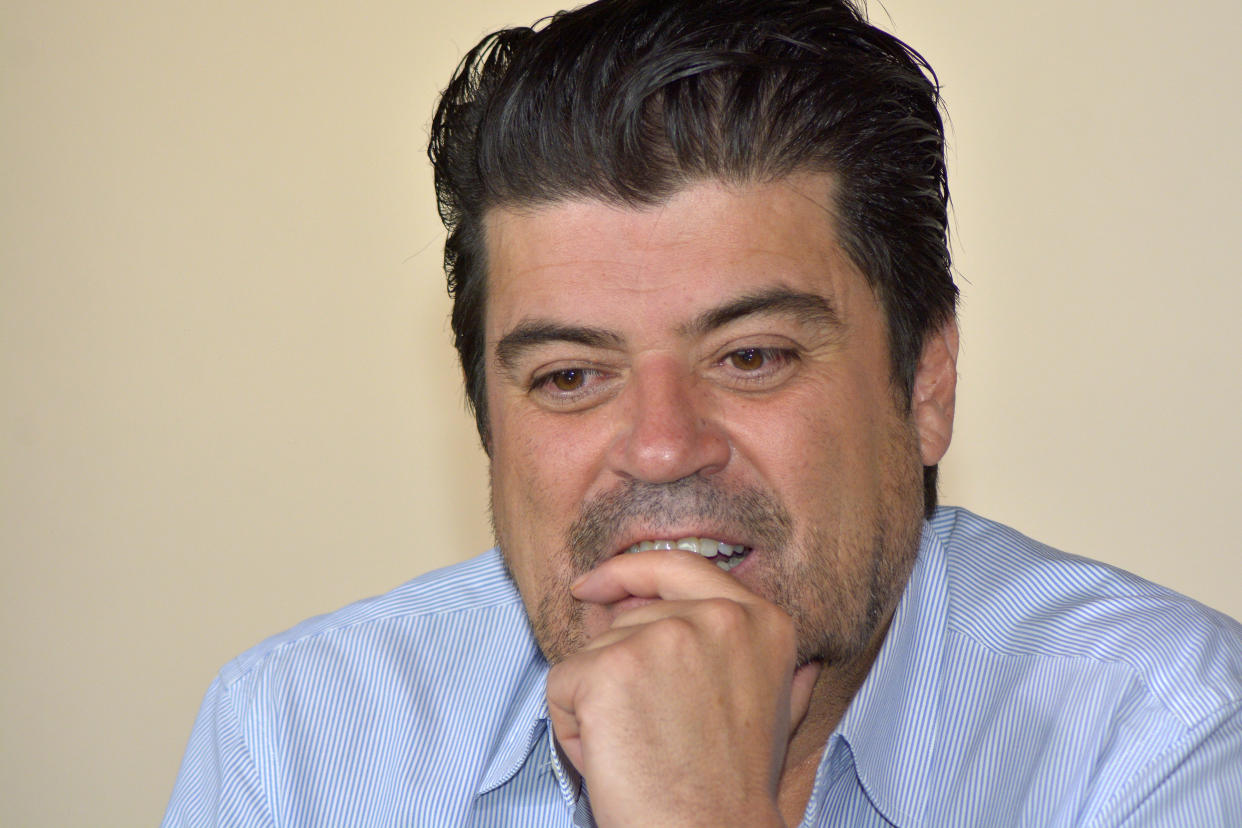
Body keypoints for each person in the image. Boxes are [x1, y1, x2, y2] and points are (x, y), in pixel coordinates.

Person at [162, 0, 1242, 825]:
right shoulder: (299, 737)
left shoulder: (1165, 736)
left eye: (753, 356)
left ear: (925, 386)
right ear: (486, 426)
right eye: (571, 377)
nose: (662, 446)